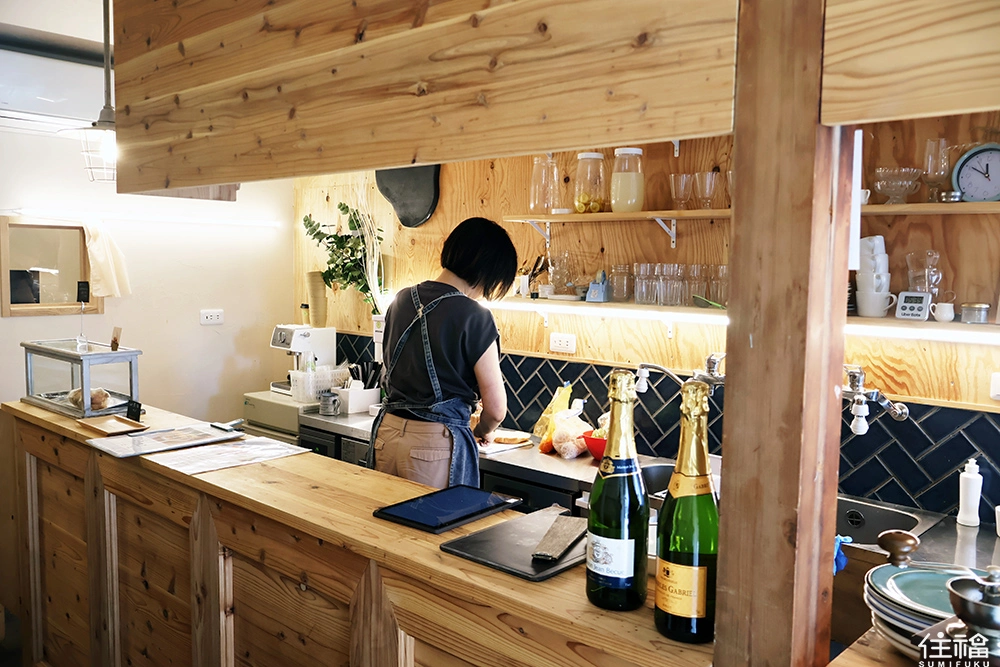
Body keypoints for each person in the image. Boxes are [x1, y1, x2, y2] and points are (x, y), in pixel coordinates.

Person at [366, 217, 518, 489]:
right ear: (489, 270)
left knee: (384, 517)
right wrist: (481, 431)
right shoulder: (475, 316)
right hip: (433, 446)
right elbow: (496, 410)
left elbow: (389, 372)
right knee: (435, 518)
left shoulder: (400, 300)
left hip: (386, 435)